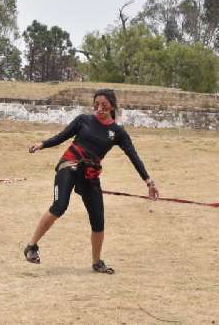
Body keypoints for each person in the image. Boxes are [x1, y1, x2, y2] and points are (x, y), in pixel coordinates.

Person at [24, 88, 159, 274]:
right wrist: (43, 144)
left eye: (104, 104)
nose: (100, 108)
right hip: (69, 165)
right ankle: (31, 246)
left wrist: (148, 181)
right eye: (97, 104)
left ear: (112, 106)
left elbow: (133, 156)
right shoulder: (83, 120)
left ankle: (97, 262)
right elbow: (63, 135)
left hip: (90, 174)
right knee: (59, 206)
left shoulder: (117, 132)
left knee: (98, 220)